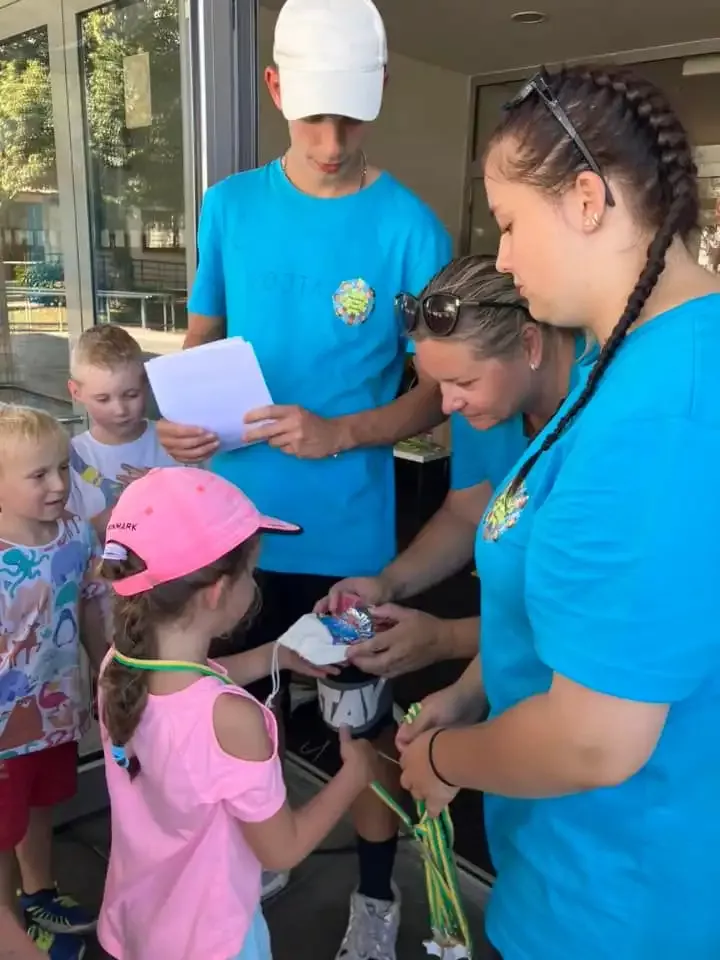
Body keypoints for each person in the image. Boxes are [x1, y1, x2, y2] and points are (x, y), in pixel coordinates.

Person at [396, 65, 720, 959]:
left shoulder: (659, 413)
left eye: (508, 223)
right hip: (579, 868)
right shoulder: (623, 368)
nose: (502, 258)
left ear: (586, 199)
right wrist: (471, 692)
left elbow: (592, 741)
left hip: (617, 901)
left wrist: (443, 762)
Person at [156, 0, 450, 951]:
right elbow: (204, 340)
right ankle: (264, 849)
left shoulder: (411, 229)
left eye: (351, 119)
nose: (331, 142)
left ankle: (376, 897)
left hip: (348, 540)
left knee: (359, 727)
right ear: (275, 89)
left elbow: (439, 394)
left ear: (380, 95)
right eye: (315, 116)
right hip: (232, 532)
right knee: (242, 713)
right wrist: (179, 420)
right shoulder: (230, 206)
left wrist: (343, 432)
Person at [95, 467, 378, 960]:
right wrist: (356, 774)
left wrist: (277, 655)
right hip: (214, 940)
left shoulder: (119, 666)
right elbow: (282, 849)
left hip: (140, 920)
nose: (255, 581)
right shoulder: (233, 719)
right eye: (250, 572)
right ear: (217, 591)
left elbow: (195, 685)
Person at [319, 255, 595, 680]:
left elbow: (591, 617)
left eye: (464, 382)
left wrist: (446, 639)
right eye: (441, 383)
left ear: (530, 345)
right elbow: (468, 511)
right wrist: (388, 584)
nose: (448, 405)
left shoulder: (606, 413)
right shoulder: (490, 405)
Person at [0, 405, 107, 960]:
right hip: (3, 733)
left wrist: (105, 671)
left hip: (56, 709)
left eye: (63, 468)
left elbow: (88, 605)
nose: (60, 485)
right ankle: (11, 935)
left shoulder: (75, 535)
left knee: (39, 808)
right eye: (38, 475)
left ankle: (38, 895)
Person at [66, 324, 178, 539]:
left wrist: (163, 491)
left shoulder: (175, 442)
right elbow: (65, 538)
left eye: (131, 395)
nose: (120, 410)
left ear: (146, 384)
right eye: (103, 399)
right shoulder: (69, 459)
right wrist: (121, 511)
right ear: (76, 392)